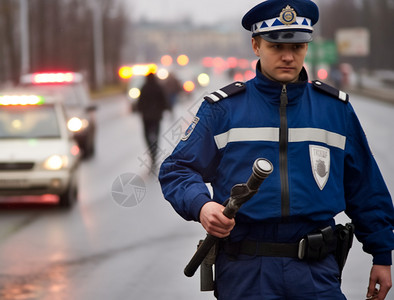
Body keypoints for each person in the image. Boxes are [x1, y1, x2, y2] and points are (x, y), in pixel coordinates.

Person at [158, 0, 394, 299]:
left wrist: (382, 254)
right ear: (256, 45)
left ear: (307, 47)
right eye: (276, 46)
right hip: (245, 272)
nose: (288, 56)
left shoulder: (335, 110)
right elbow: (177, 169)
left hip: (317, 272)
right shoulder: (223, 110)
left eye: (297, 47)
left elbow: (365, 187)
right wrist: (202, 206)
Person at [137, 72, 169, 169]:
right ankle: (154, 153)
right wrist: (164, 109)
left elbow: (140, 102)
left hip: (146, 117)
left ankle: (152, 153)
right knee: (156, 135)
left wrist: (140, 110)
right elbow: (164, 100)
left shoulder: (144, 88)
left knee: (146, 135)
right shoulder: (158, 87)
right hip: (156, 117)